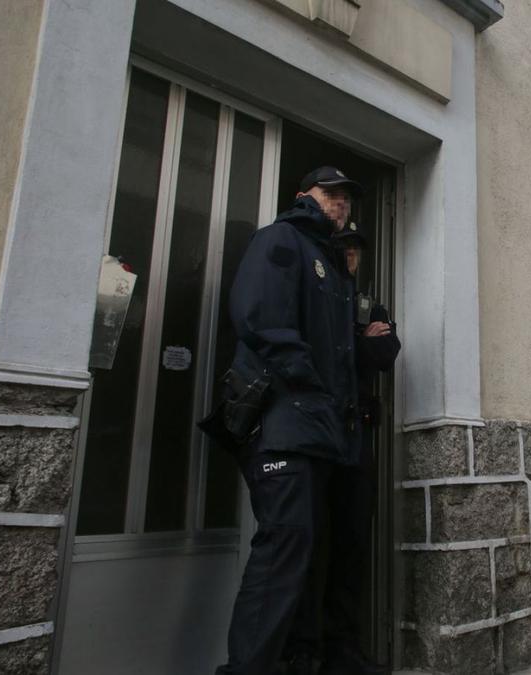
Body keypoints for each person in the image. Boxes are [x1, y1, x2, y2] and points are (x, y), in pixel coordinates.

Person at [216, 166, 372, 675]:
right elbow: (260, 317)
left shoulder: (331, 265)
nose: (340, 203)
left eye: (347, 198)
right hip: (286, 421)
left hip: (321, 430)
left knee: (311, 547)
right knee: (286, 544)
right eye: (331, 194)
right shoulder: (282, 239)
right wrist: (310, 386)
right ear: (304, 195)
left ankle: (304, 659)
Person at [284, 213, 401, 675]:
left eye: (356, 248)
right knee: (309, 541)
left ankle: (342, 650)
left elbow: (385, 353)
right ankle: (301, 649)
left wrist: (358, 338)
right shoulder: (316, 296)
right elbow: (314, 351)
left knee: (352, 543)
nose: (350, 254)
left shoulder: (371, 305)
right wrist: (356, 341)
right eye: (343, 246)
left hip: (357, 437)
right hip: (315, 434)